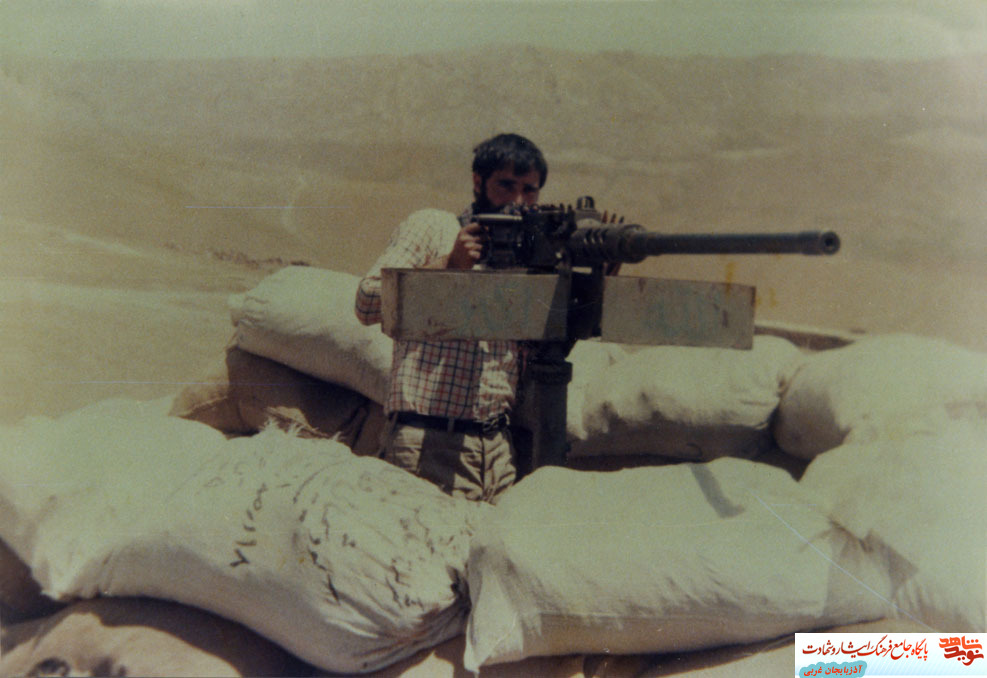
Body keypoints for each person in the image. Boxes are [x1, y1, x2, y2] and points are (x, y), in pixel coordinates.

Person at [354, 133, 547, 502]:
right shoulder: (434, 227)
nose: (518, 201)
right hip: (426, 443)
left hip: (497, 452)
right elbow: (367, 302)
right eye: (506, 185)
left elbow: (538, 358)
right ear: (478, 182)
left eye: (529, 190)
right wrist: (449, 265)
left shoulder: (530, 262)